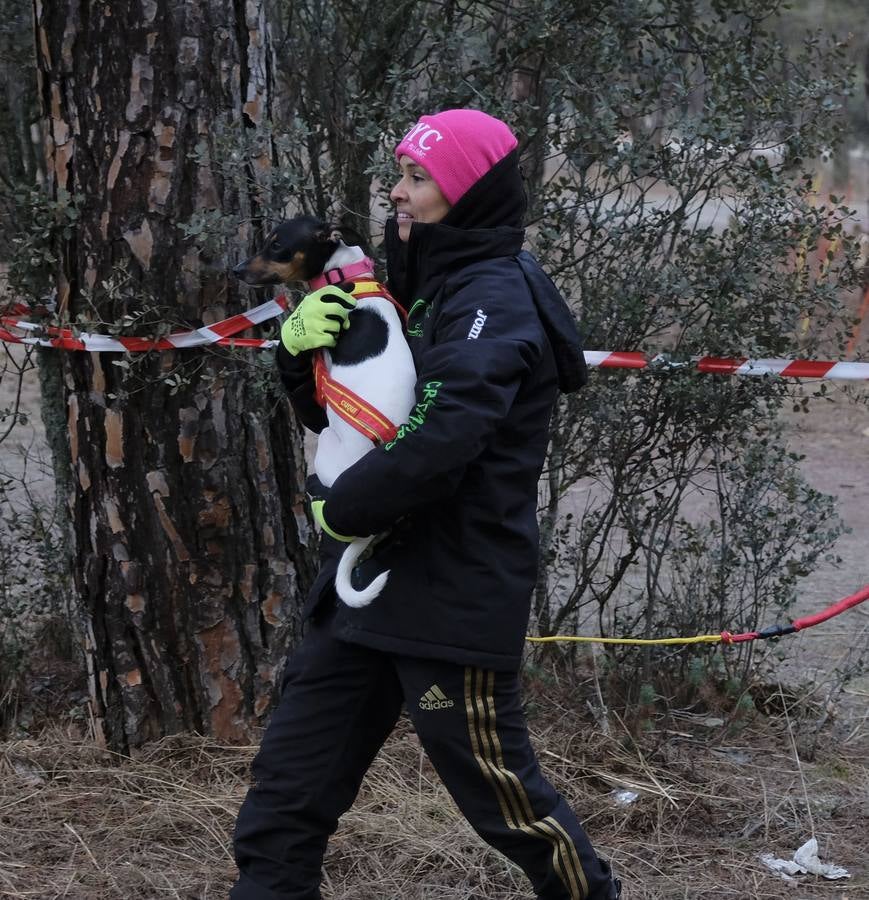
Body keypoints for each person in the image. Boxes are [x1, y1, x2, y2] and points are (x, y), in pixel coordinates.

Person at [232, 109, 621, 900]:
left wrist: (343, 511)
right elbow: (348, 418)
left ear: (469, 191)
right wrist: (296, 355)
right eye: (399, 175)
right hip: (367, 587)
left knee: (507, 806)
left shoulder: (496, 297)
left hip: (451, 590)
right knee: (286, 791)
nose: (397, 195)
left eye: (418, 179)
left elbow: (445, 433)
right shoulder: (411, 282)